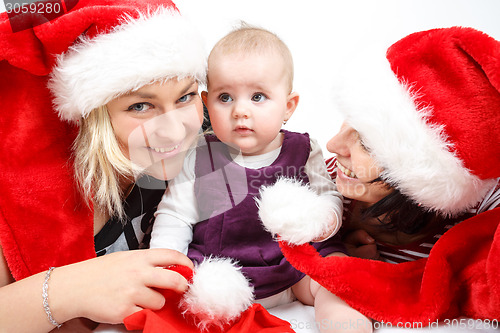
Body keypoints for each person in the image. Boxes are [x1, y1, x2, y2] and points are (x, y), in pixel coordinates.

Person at [0, 0, 208, 331]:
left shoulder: (206, 145)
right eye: (141, 105)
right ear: (90, 115)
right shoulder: (14, 210)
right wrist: (67, 290)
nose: (175, 130)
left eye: (186, 97)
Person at [150, 26, 372, 332]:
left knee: (337, 280)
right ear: (206, 103)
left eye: (258, 96)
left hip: (296, 267)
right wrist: (168, 267)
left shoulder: (304, 149)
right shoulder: (199, 156)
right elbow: (174, 215)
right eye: (225, 97)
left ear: (288, 106)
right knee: (191, 305)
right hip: (223, 274)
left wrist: (321, 221)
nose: (241, 111)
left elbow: (329, 197)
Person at [274, 26, 500, 325]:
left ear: (421, 176)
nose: (333, 146)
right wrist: (335, 253)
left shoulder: (476, 207)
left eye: (367, 143)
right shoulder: (318, 183)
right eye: (350, 122)